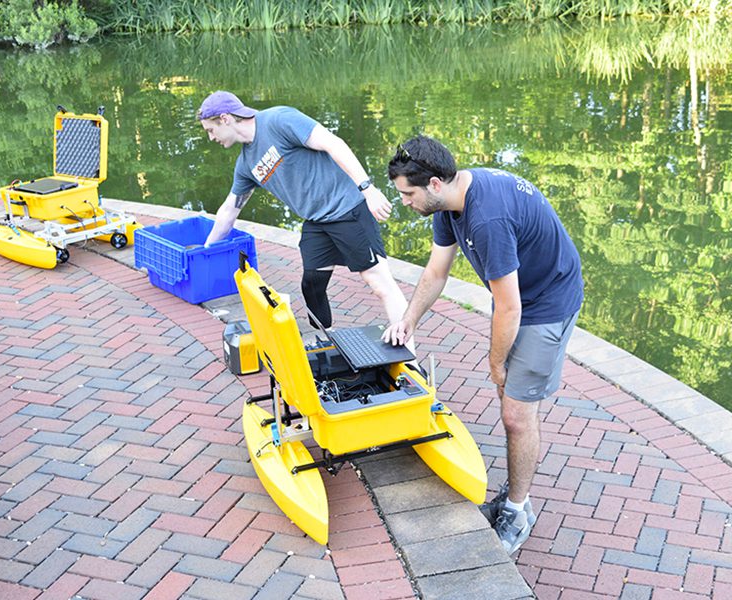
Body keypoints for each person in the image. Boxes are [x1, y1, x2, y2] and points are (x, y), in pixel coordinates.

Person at [384, 135, 583, 555]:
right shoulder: (449, 203)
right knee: (511, 401)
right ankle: (518, 488)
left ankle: (517, 510)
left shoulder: (486, 218)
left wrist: (496, 364)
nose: (404, 201)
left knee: (515, 415)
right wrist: (408, 320)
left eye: (407, 193)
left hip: (547, 302)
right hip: (518, 296)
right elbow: (436, 272)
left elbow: (509, 308)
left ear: (434, 184)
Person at [198, 90, 410, 340]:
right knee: (312, 285)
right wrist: (205, 251)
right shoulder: (245, 164)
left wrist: (367, 188)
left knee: (379, 284)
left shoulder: (278, 120)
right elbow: (229, 210)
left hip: (347, 209)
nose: (211, 137)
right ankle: (330, 345)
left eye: (210, 130)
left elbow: (333, 143)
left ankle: (411, 360)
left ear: (225, 118)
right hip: (317, 222)